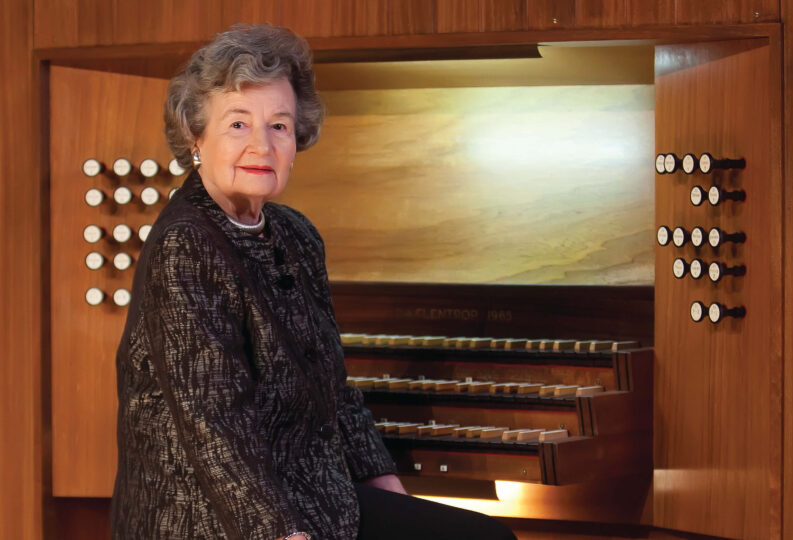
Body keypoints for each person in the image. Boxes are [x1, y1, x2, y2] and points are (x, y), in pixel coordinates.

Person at [110, 23, 518, 540]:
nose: (261, 144)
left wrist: (384, 484)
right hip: (209, 515)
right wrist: (281, 533)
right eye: (238, 124)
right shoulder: (185, 245)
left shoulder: (297, 235)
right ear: (197, 137)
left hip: (314, 495)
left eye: (279, 126)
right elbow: (214, 422)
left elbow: (332, 387)